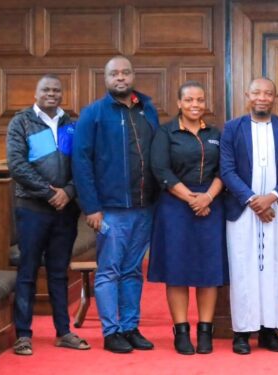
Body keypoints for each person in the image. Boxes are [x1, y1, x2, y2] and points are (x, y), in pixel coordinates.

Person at [73, 55, 159, 353]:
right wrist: (91, 207)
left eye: (125, 72)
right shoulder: (92, 114)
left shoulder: (147, 110)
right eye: (114, 74)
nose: (120, 78)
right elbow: (81, 163)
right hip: (109, 209)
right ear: (105, 78)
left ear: (133, 76)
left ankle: (130, 327)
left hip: (144, 206)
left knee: (134, 270)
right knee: (109, 270)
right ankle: (111, 332)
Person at [6, 74, 90, 355]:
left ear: (62, 94)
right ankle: (23, 334)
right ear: (36, 93)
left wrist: (68, 191)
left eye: (56, 90)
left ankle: (63, 331)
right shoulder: (22, 122)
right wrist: (49, 192)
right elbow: (17, 165)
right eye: (46, 89)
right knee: (28, 271)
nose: (51, 94)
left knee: (58, 272)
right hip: (32, 208)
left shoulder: (73, 125)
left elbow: (83, 163)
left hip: (66, 210)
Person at [220, 77, 278, 355]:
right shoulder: (232, 128)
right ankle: (242, 332)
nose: (262, 98)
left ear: (274, 97)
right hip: (243, 210)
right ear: (247, 94)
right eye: (257, 92)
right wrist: (254, 200)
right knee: (244, 270)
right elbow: (227, 170)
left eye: (268, 93)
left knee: (276, 271)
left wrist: (273, 197)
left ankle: (269, 331)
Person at [148, 81, 227, 355]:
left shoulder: (215, 133)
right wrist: (192, 199)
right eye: (190, 100)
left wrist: (208, 198)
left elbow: (224, 170)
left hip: (212, 205)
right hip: (175, 207)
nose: (196, 105)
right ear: (179, 104)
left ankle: (205, 331)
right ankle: (181, 332)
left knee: (209, 272)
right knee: (178, 271)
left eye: (200, 100)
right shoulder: (165, 132)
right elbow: (161, 170)